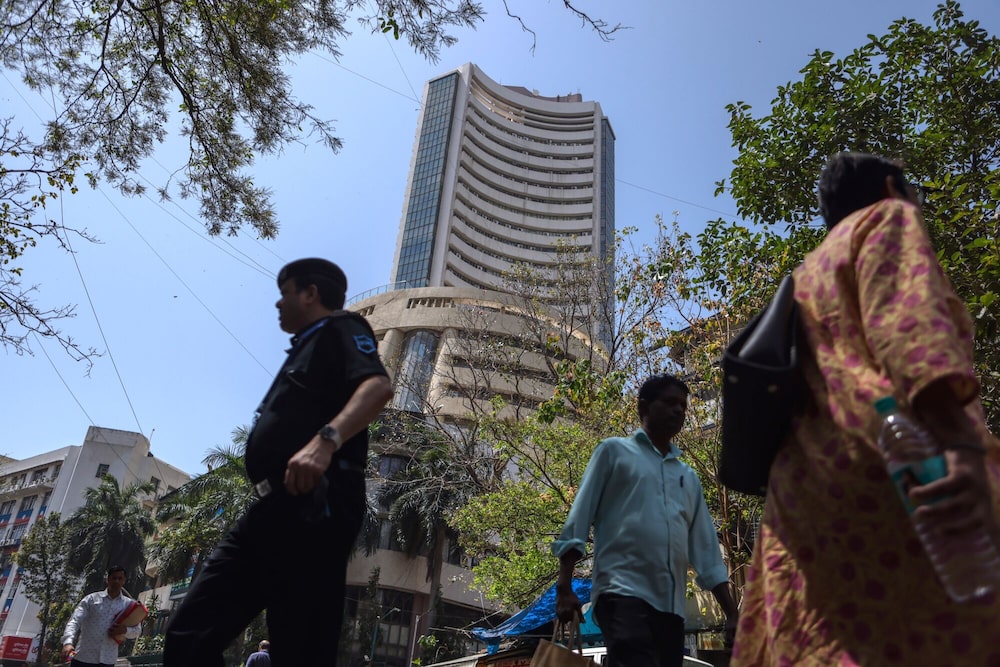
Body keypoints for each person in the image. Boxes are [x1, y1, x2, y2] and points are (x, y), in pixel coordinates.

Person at [731, 153, 1000, 665]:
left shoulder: (807, 274)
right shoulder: (889, 218)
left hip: (804, 508)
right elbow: (909, 331)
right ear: (893, 187)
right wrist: (962, 447)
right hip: (898, 481)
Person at [164, 258, 394, 666]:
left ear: (311, 294)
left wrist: (327, 440)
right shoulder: (301, 349)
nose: (277, 303)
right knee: (189, 635)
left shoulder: (343, 328)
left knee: (300, 648)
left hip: (315, 502)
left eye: (284, 292)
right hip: (268, 509)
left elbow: (377, 386)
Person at [553, 374, 739, 667]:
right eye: (669, 402)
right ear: (643, 407)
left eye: (683, 405)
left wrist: (732, 613)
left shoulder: (687, 477)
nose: (678, 410)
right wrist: (564, 588)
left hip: (671, 609)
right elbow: (578, 519)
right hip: (621, 593)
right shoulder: (613, 452)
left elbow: (706, 550)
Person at [61, 565, 142, 667]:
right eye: (114, 578)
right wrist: (68, 643)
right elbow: (74, 621)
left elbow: (137, 630)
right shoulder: (91, 600)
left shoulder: (129, 605)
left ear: (124, 581)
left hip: (108, 660)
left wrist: (124, 630)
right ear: (107, 579)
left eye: (120, 578)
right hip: (83, 657)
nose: (116, 581)